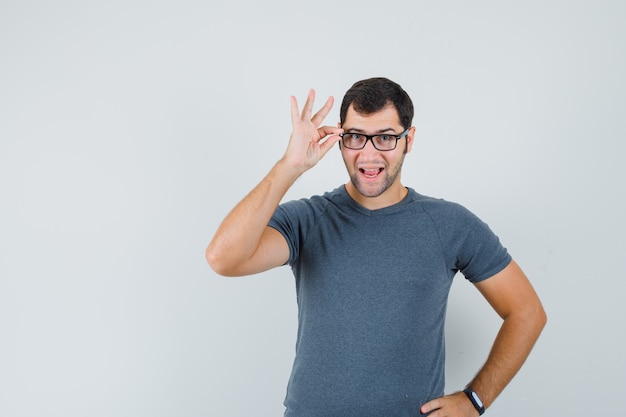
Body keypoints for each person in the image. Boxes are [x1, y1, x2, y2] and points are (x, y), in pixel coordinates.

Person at [206, 77, 546, 417]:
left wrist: (475, 400)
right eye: (355, 137)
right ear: (340, 138)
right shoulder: (307, 220)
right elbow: (224, 259)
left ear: (408, 140)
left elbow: (527, 313)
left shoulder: (449, 224)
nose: (369, 155)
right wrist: (289, 166)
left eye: (385, 137)